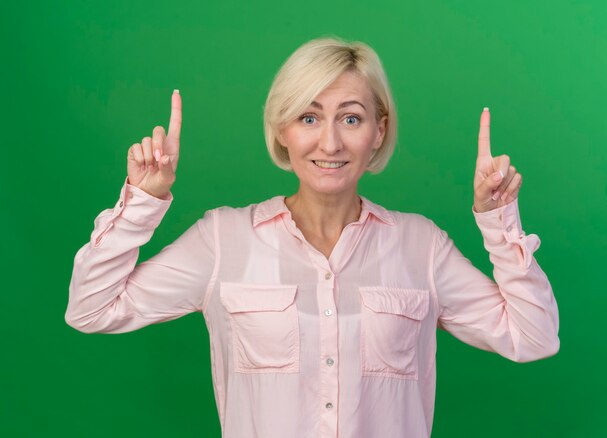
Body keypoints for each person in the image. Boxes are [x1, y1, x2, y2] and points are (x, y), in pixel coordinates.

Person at [65, 37, 560, 438]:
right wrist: (142, 202)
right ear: (282, 129)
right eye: (308, 117)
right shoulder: (224, 239)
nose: (330, 142)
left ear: (378, 131)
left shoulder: (421, 246)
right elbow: (91, 308)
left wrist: (498, 221)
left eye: (351, 117)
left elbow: (533, 338)